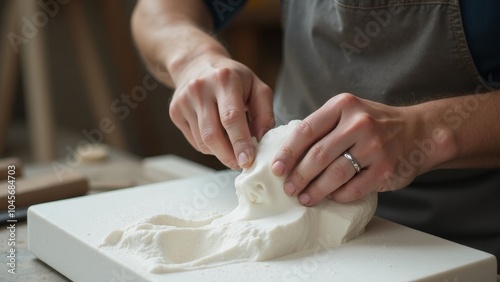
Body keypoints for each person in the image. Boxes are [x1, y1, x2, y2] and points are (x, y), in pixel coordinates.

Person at [131, 0, 500, 272]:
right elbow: (159, 11)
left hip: (468, 235)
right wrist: (194, 57)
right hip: (291, 209)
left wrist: (428, 132)